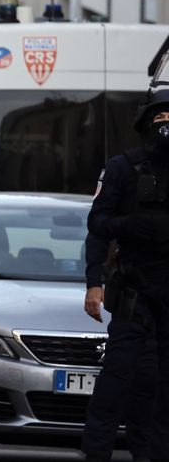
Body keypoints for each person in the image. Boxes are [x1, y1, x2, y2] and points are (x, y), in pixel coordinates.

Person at [80, 89, 169, 462]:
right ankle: (97, 454)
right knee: (115, 383)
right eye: (160, 119)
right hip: (134, 294)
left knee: (160, 390)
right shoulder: (123, 167)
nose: (166, 126)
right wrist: (94, 284)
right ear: (145, 123)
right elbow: (97, 225)